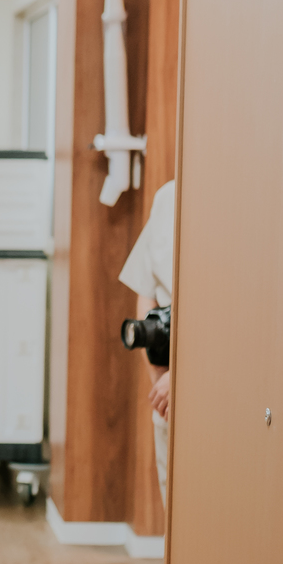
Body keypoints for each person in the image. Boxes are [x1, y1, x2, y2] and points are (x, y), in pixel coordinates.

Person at [119, 178, 174, 507]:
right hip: (165, 393)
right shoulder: (167, 198)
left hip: (212, 393)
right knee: (176, 516)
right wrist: (159, 376)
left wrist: (184, 375)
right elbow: (146, 291)